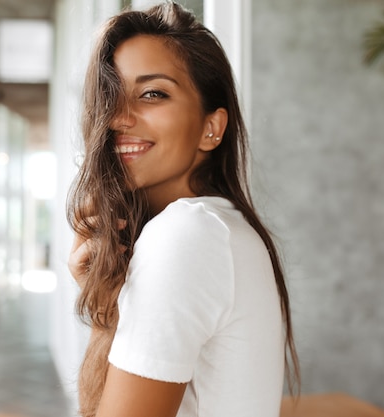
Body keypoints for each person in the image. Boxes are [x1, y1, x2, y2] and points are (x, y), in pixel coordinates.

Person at [67, 2, 299, 416]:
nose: (118, 117)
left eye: (152, 94)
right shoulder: (216, 227)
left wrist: (105, 321)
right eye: (111, 96)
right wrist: (106, 305)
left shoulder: (186, 235)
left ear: (212, 128)